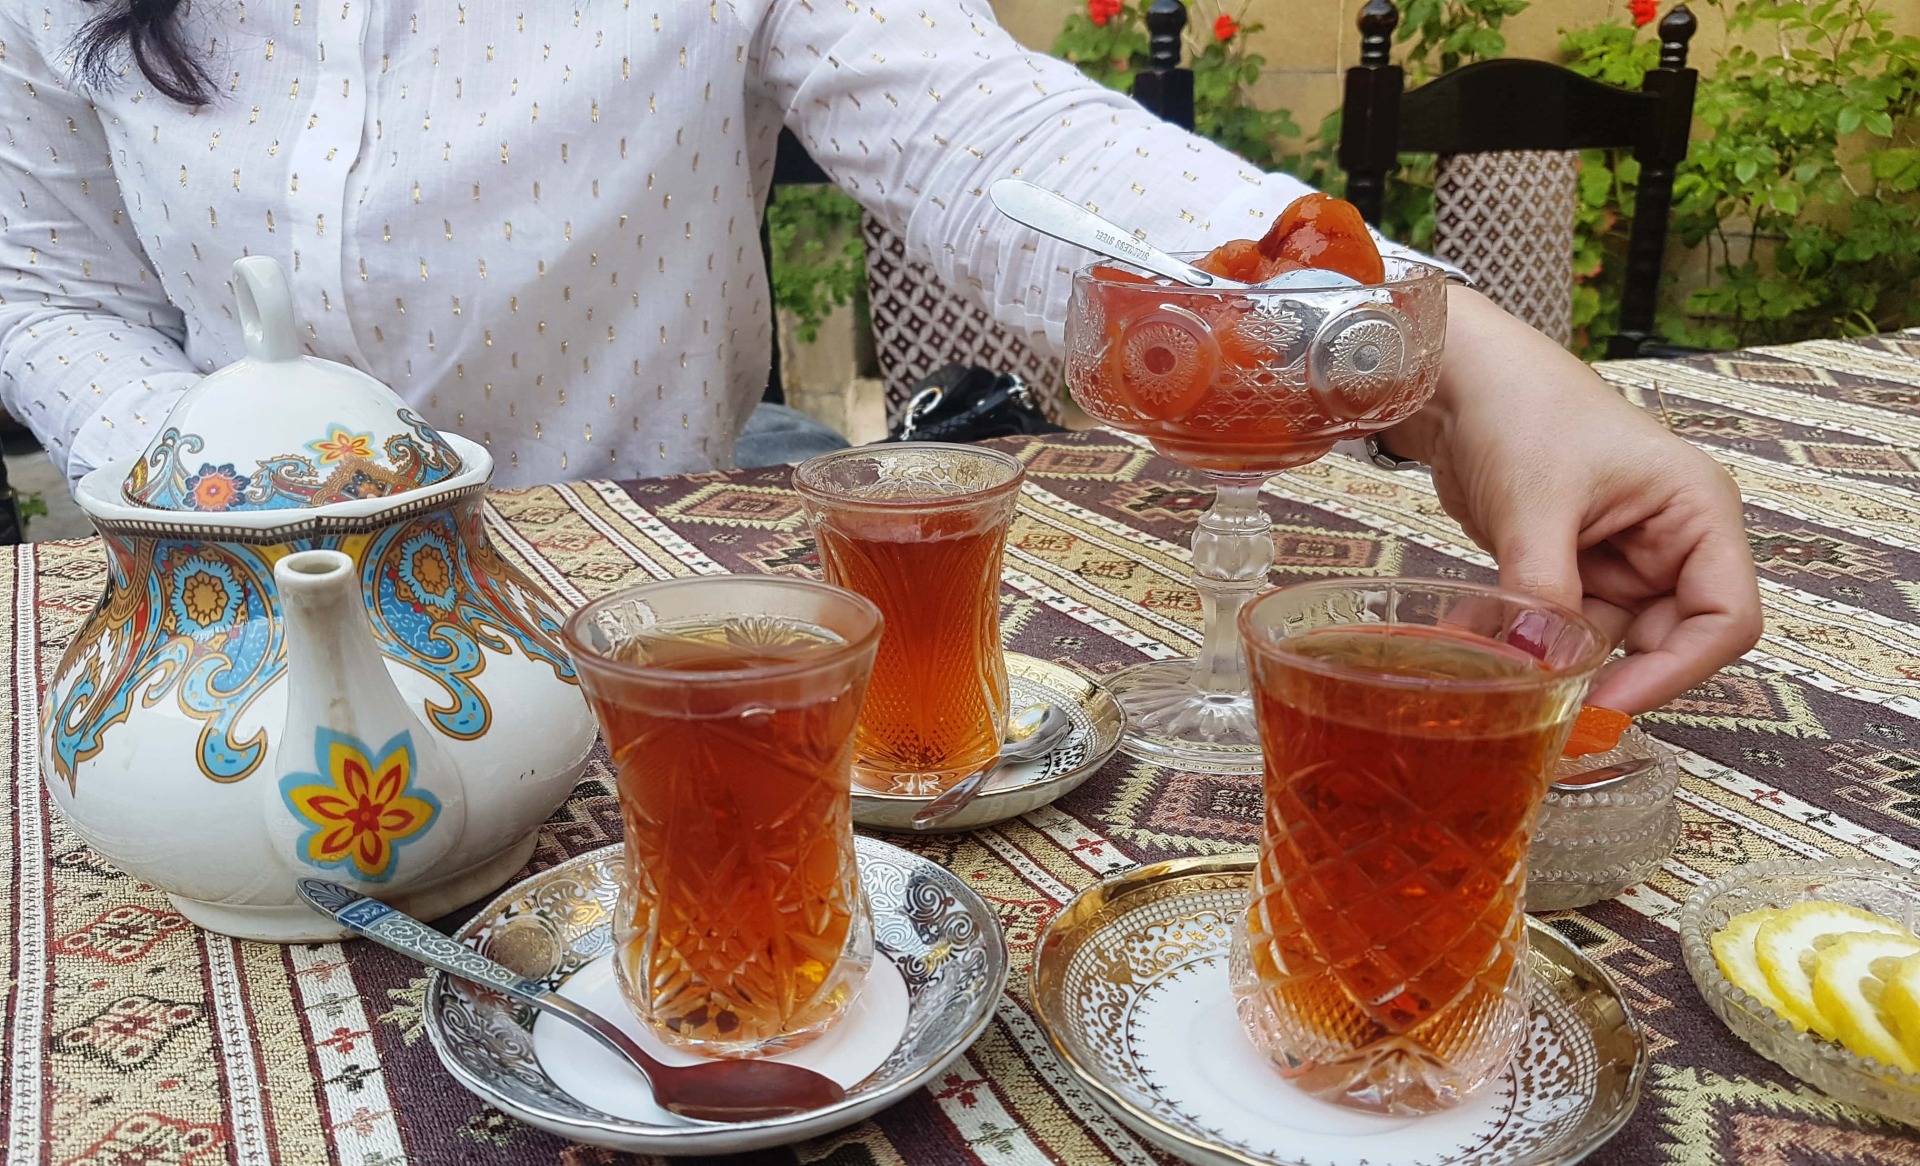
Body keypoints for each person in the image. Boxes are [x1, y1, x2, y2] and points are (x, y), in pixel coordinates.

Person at [0, 0, 1759, 713]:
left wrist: (1449, 355)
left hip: (657, 657)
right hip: (211, 651)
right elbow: (39, 286)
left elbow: (995, 143)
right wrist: (232, 466)